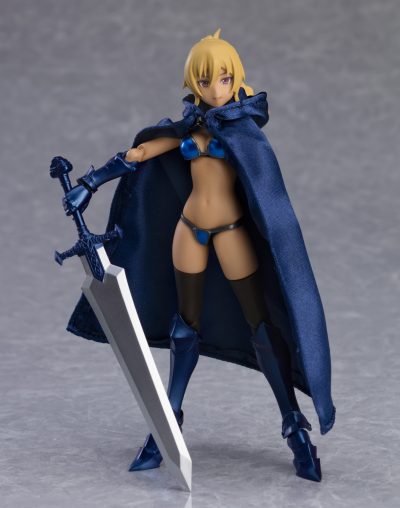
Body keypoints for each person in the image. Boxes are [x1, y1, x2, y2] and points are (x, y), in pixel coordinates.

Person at [63, 29, 335, 482]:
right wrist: (88, 184)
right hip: (189, 230)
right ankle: (168, 420)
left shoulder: (245, 133)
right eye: (205, 81)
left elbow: (268, 195)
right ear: (194, 82)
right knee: (183, 326)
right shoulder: (187, 127)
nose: (215, 89)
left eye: (224, 79)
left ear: (236, 79)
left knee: (260, 325)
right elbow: (141, 152)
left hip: (231, 232)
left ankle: (293, 424)